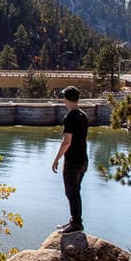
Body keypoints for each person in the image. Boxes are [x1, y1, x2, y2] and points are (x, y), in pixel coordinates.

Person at [50, 86, 89, 233]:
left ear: (66, 99)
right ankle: (74, 221)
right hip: (83, 160)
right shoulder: (83, 115)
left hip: (72, 161)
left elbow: (67, 141)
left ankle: (76, 223)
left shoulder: (70, 117)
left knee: (71, 192)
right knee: (75, 191)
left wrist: (56, 159)